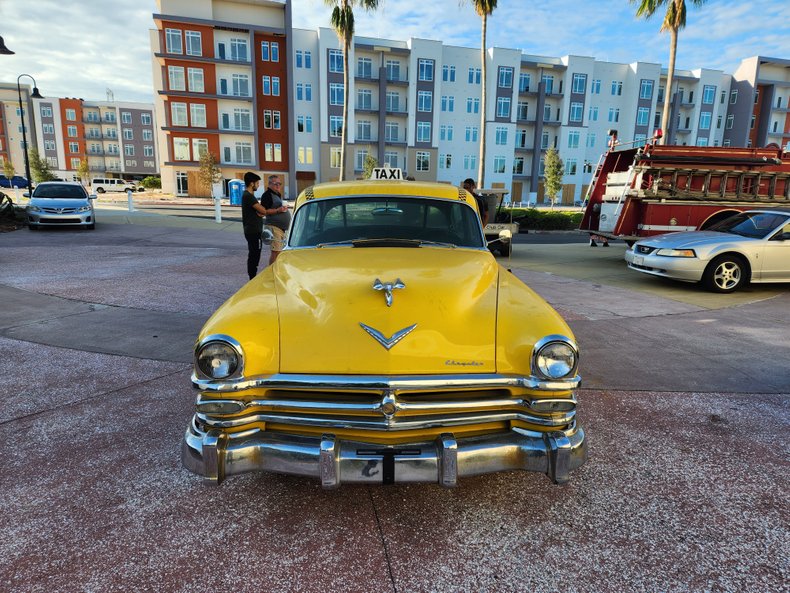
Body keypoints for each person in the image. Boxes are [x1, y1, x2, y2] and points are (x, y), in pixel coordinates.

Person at [241, 172, 267, 279]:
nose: (258, 185)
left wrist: (260, 212)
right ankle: (252, 278)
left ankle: (252, 276)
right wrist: (261, 211)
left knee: (255, 254)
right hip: (253, 231)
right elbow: (263, 211)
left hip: (253, 230)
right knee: (254, 255)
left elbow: (260, 212)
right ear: (252, 184)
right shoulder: (248, 196)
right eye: (257, 183)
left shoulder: (249, 196)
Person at [260, 174, 291, 265]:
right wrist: (278, 210)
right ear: (269, 184)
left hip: (280, 229)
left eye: (279, 183)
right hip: (274, 227)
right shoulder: (267, 195)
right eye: (275, 184)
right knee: (275, 252)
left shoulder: (277, 194)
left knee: (279, 252)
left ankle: (276, 269)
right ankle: (271, 272)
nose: (278, 185)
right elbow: (264, 211)